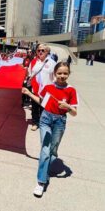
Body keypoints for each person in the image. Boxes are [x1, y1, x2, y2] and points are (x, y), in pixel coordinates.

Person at [22, 61, 78, 197]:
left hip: (60, 122)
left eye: (65, 73)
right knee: (45, 150)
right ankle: (41, 182)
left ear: (69, 74)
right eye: (59, 73)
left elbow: (74, 112)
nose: (62, 76)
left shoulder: (71, 90)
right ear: (54, 74)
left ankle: (47, 165)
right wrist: (29, 93)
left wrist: (68, 107)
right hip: (46, 120)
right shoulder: (48, 87)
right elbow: (42, 102)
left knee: (53, 150)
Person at [28, 44, 56, 131]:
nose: (40, 52)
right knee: (35, 107)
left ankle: (44, 123)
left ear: (47, 52)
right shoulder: (33, 62)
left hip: (46, 91)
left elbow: (55, 77)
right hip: (35, 89)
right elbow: (29, 73)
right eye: (38, 50)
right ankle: (35, 122)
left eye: (42, 50)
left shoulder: (52, 63)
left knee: (44, 108)